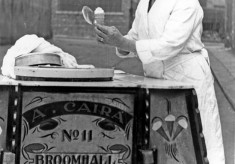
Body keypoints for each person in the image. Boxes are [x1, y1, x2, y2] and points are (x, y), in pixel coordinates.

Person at [94, 0, 225, 163]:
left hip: (187, 78)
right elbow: (135, 37)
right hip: (156, 80)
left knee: (196, 140)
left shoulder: (187, 3)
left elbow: (169, 45)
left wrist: (123, 42)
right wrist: (116, 40)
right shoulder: (144, 3)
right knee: (162, 142)